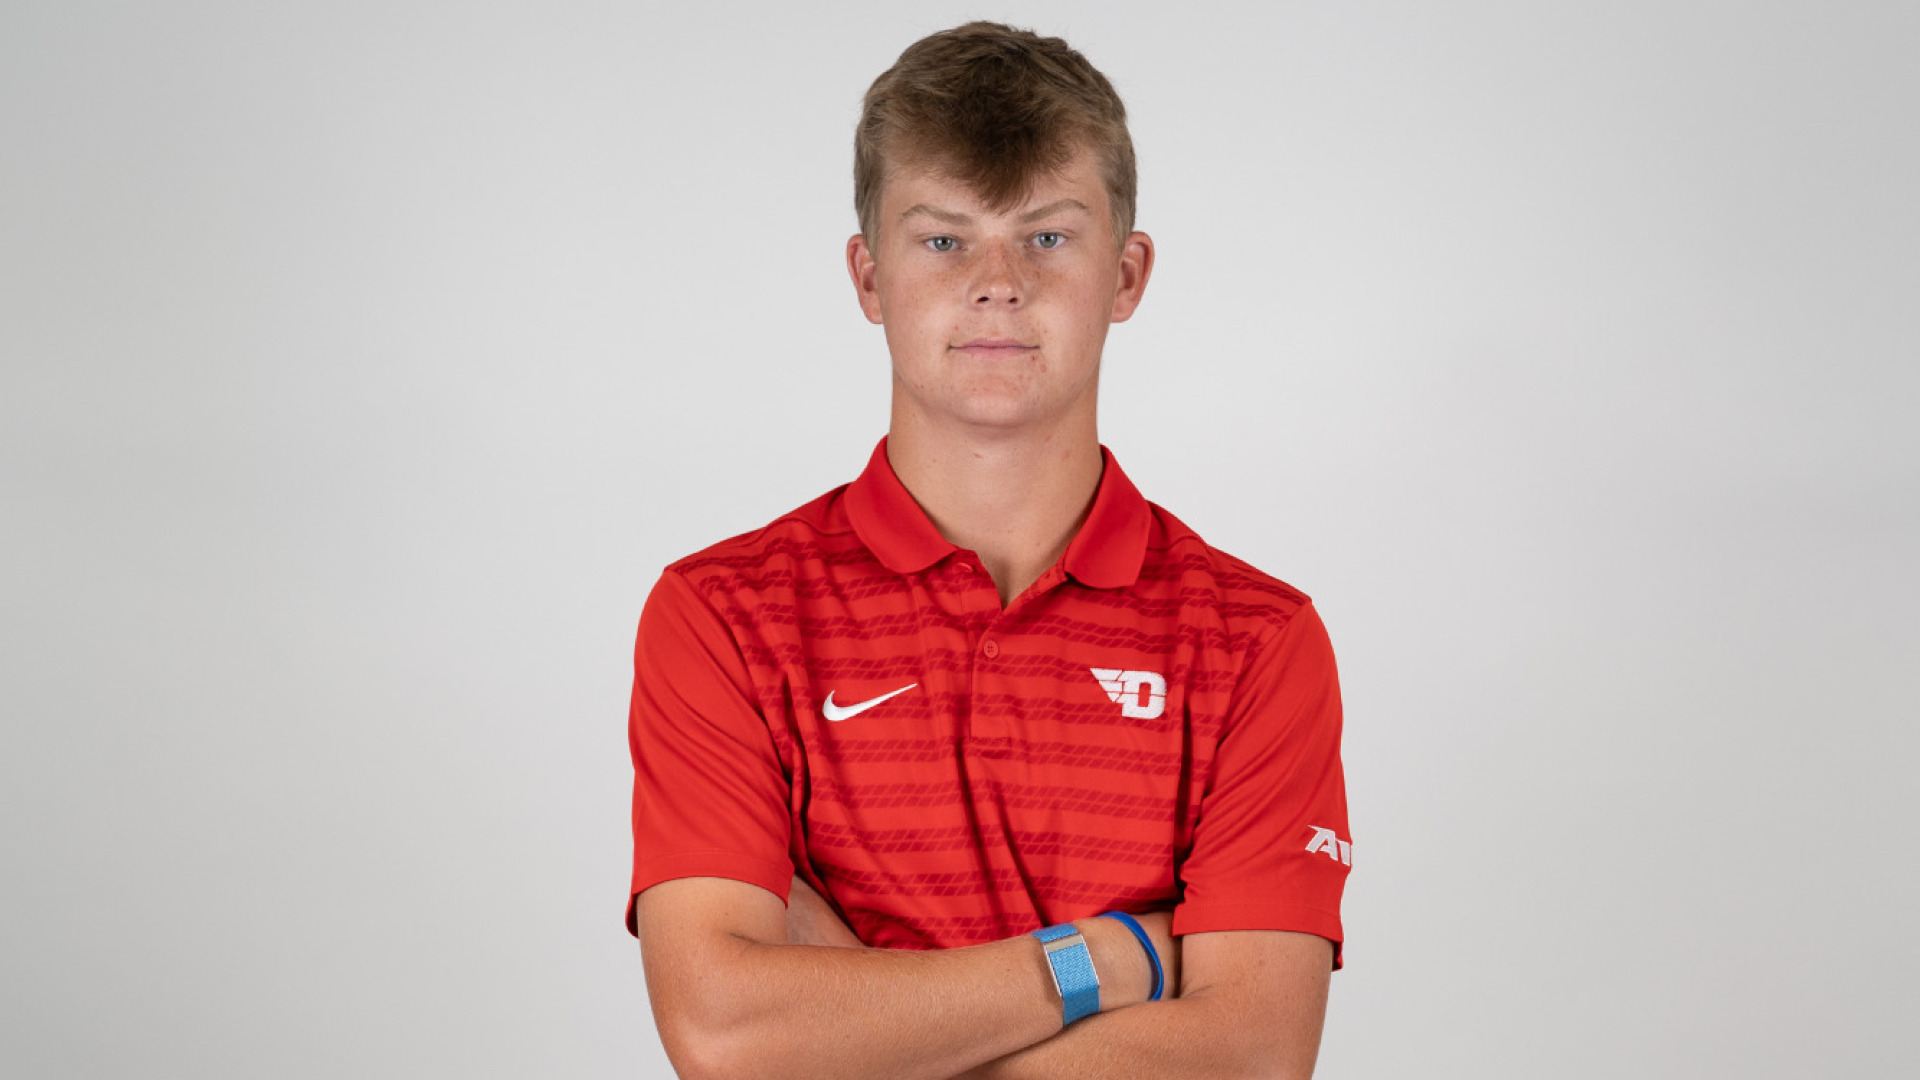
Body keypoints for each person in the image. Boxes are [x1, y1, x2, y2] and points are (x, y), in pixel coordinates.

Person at [625, 21, 1351, 1080]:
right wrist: (1111, 957)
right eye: (944, 239)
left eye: (1048, 237)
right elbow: (727, 1035)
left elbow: (1249, 1057)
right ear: (869, 279)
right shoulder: (719, 617)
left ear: (1128, 274)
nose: (998, 282)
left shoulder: (1260, 643)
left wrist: (853, 1023)